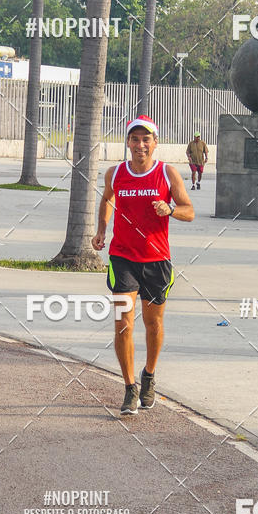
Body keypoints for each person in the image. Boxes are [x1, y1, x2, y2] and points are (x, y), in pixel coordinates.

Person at [92, 115, 195, 415]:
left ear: (155, 143)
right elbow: (107, 200)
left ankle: (148, 375)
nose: (140, 144)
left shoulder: (167, 174)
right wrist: (101, 229)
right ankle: (128, 388)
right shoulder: (116, 173)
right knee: (124, 324)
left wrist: (171, 209)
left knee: (154, 324)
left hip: (157, 260)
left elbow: (189, 211)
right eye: (135, 139)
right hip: (122, 257)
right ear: (127, 142)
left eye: (146, 139)